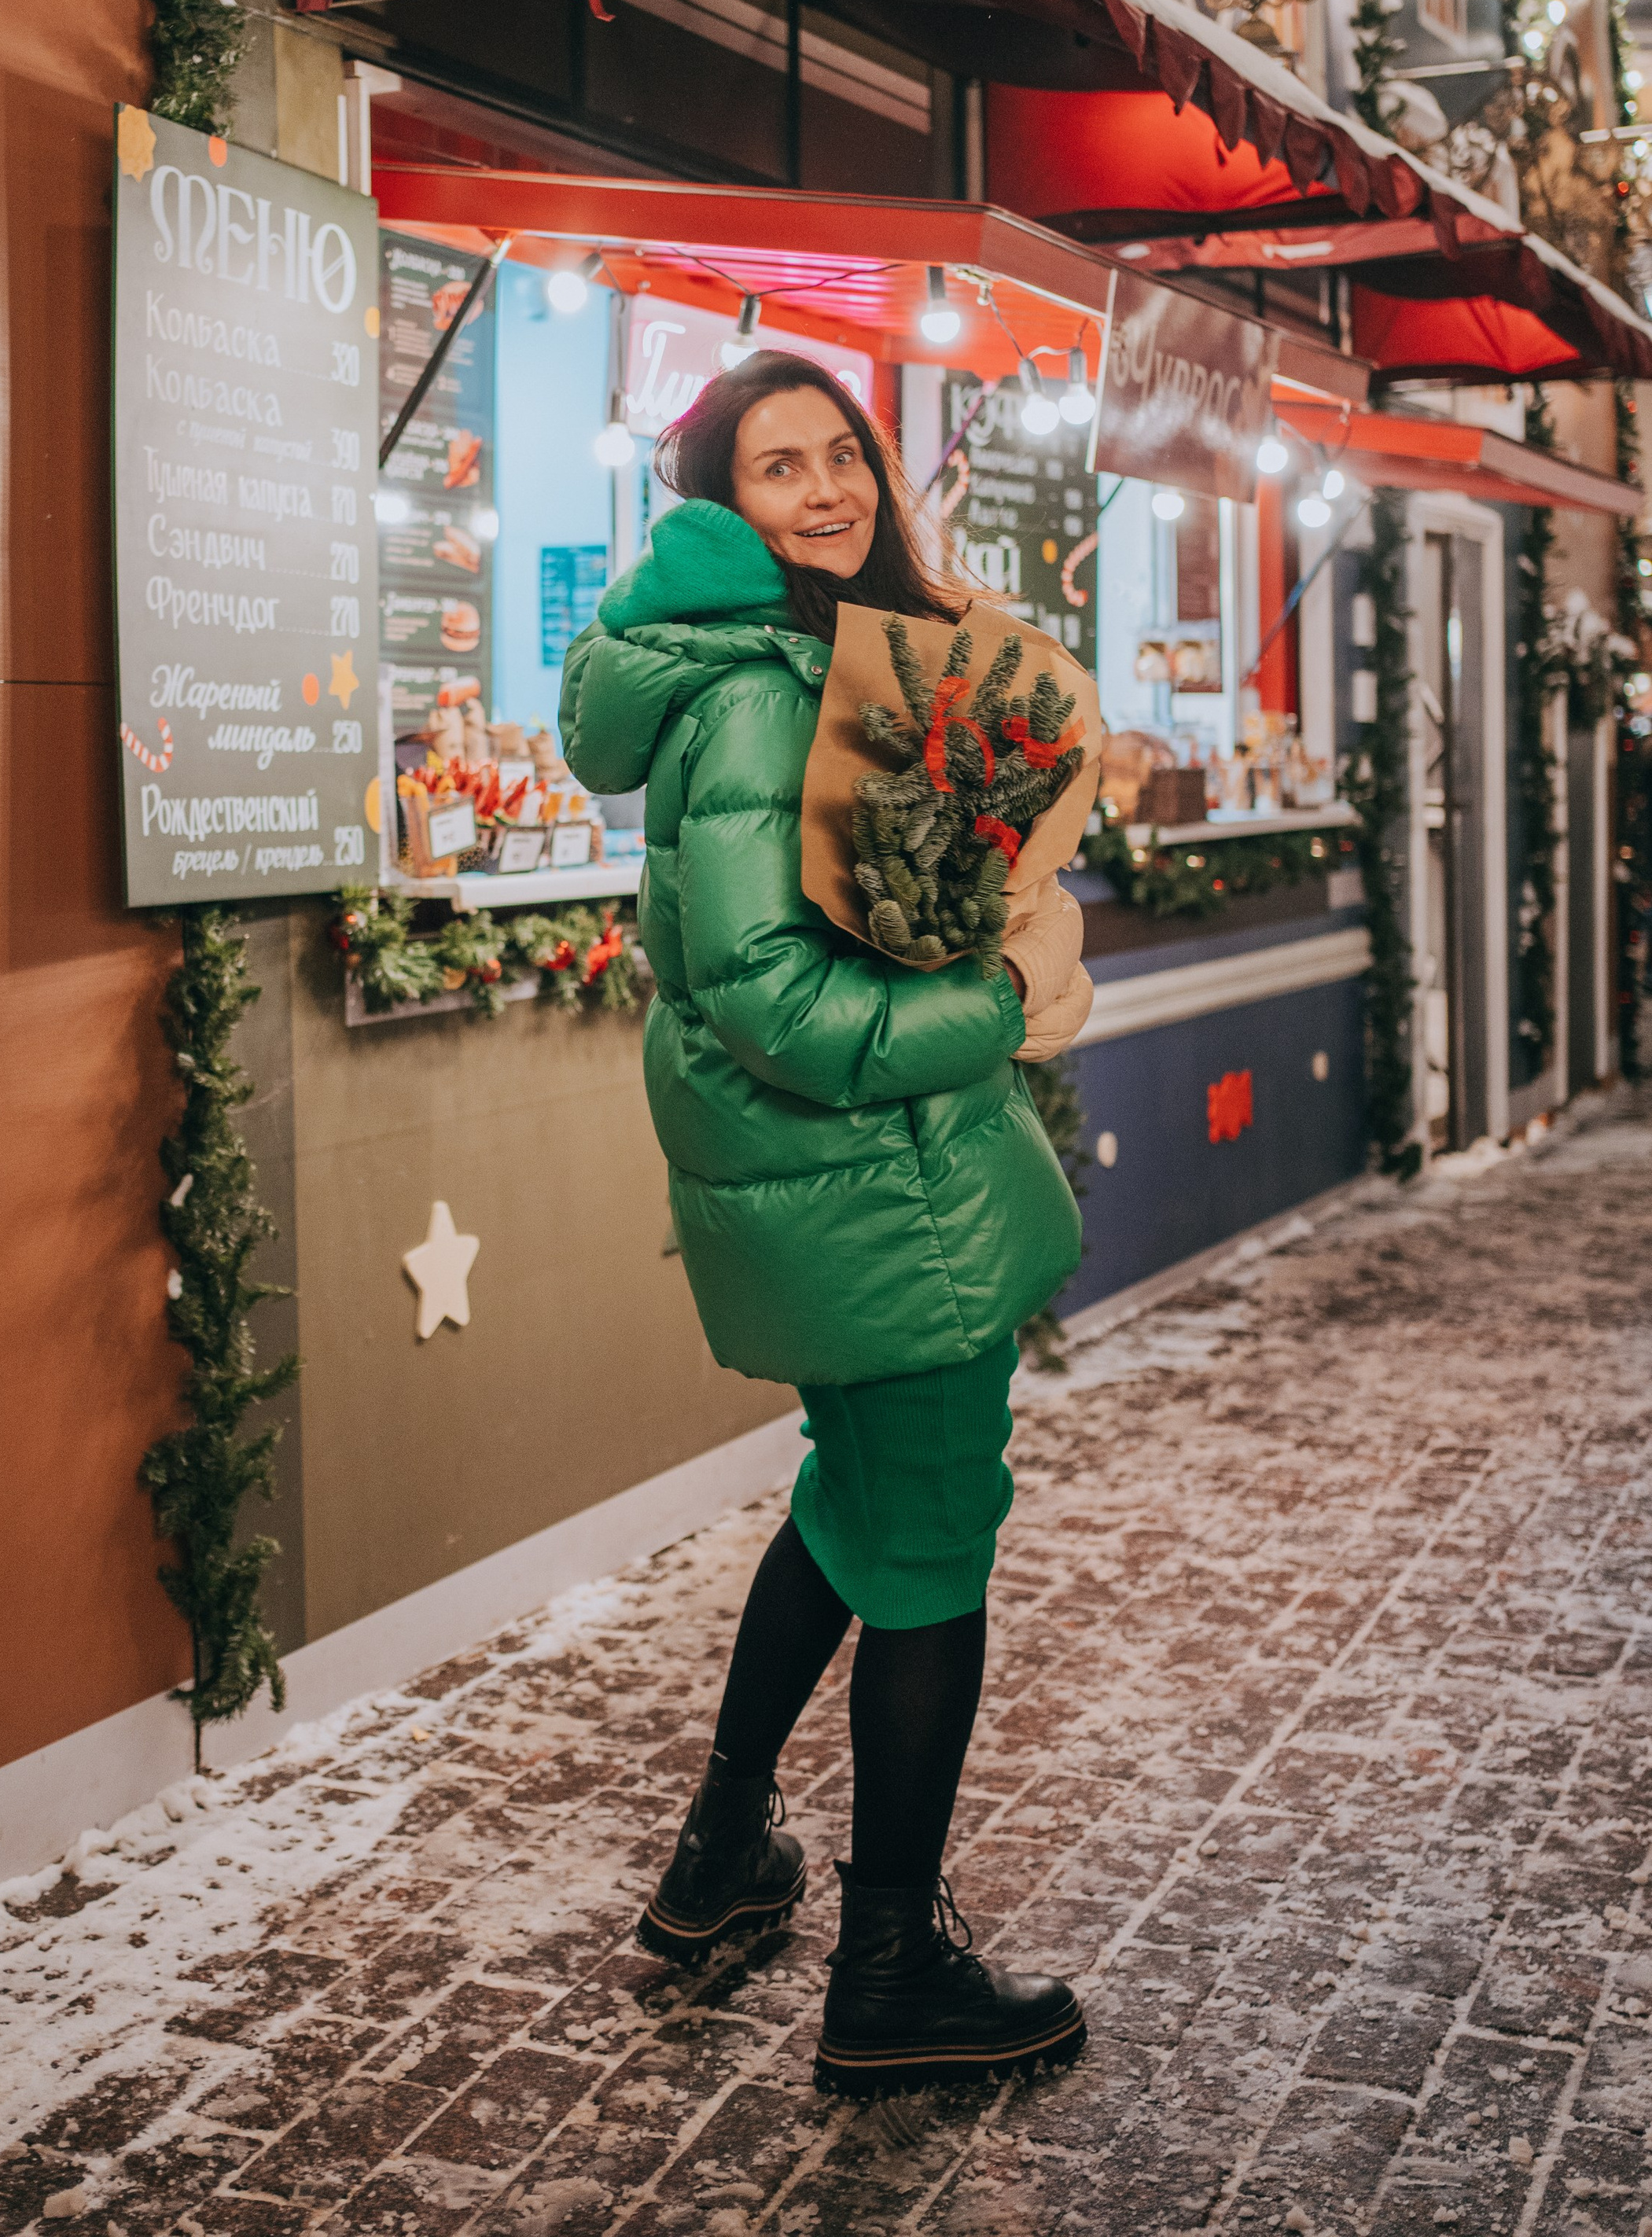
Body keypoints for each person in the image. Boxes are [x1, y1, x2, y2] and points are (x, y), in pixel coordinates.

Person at [561, 349, 1091, 2101]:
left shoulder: (818, 655)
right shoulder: (757, 697)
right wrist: (1001, 1004)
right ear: (720, 504)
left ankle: (723, 1861)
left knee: (848, 1508)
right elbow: (775, 1001)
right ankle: (887, 1974)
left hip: (867, 1192)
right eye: (776, 466)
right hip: (887, 1193)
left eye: (841, 451)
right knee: (927, 1549)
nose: (827, 486)